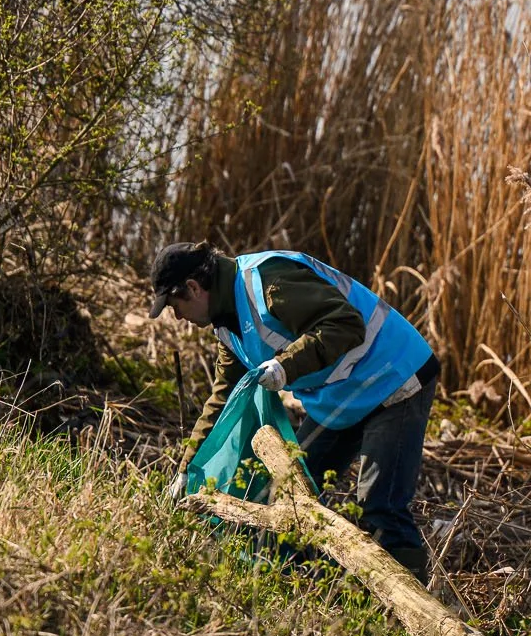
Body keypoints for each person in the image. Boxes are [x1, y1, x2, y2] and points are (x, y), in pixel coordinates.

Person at [149, 241, 439, 580]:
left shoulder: (269, 282)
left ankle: (412, 612)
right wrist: (187, 468)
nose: (178, 316)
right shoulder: (226, 325)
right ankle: (311, 582)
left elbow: (345, 325)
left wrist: (285, 367)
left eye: (174, 305)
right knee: (288, 492)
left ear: (194, 288)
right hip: (343, 396)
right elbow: (222, 398)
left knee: (380, 503)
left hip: (395, 376)